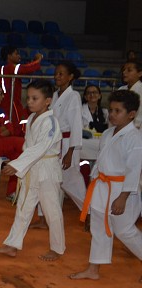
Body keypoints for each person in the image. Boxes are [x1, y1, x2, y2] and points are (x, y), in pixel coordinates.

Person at [70, 90, 142, 282]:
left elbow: (134, 170)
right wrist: (92, 185)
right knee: (99, 229)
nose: (112, 114)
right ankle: (93, 269)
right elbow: (100, 162)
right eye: (110, 110)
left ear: (131, 114)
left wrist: (123, 197)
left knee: (125, 231)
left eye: (118, 111)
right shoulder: (109, 133)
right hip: (102, 186)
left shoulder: (135, 138)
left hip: (122, 190)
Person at [0, 80, 65, 262]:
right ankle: (12, 245)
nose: (30, 102)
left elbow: (40, 148)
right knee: (23, 209)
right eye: (29, 98)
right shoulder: (32, 118)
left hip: (47, 170)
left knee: (52, 211)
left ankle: (57, 248)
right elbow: (29, 146)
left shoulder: (51, 122)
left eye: (35, 98)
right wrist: (19, 163)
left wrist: (17, 164)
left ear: (47, 101)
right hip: (31, 169)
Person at [52, 62, 86, 213]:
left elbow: (76, 125)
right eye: (56, 73)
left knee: (72, 181)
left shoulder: (73, 96)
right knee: (52, 179)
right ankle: (44, 216)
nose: (57, 76)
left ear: (70, 77)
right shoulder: (55, 95)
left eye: (61, 74)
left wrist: (70, 152)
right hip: (54, 142)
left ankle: (88, 211)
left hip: (67, 144)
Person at [0, 83, 24, 199]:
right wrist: (1, 130)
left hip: (1, 142)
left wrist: (0, 131)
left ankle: (12, 191)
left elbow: (10, 128)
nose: (3, 96)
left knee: (18, 155)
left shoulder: (0, 110)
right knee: (21, 143)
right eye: (0, 94)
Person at [0, 45, 43, 125]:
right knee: (15, 123)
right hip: (9, 101)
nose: (19, 56)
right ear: (9, 56)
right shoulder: (7, 67)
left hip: (12, 100)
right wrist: (38, 60)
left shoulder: (7, 68)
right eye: (16, 54)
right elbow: (26, 69)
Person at [119, 60, 142, 129]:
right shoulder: (121, 89)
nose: (124, 72)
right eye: (124, 70)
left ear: (140, 73)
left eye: (129, 70)